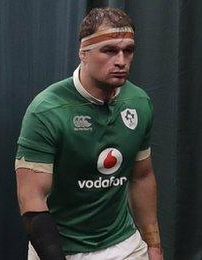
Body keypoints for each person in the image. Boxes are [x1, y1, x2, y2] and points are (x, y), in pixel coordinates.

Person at [15, 7, 162, 260]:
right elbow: (31, 198)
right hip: (64, 249)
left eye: (128, 50)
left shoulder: (139, 101)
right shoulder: (47, 110)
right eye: (109, 50)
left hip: (126, 245)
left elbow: (142, 176)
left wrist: (154, 245)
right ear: (83, 52)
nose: (121, 60)